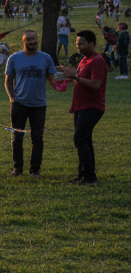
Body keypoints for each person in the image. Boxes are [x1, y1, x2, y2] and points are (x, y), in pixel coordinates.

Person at [4, 30, 60, 178]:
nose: (32, 42)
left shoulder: (46, 58)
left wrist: (63, 81)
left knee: (37, 138)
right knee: (17, 138)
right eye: (29, 40)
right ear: (24, 41)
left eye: (34, 39)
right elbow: (8, 80)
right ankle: (17, 169)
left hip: (39, 104)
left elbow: (52, 78)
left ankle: (35, 170)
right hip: (19, 104)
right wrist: (12, 98)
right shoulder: (14, 58)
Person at [60, 30, 108, 185]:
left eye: (81, 43)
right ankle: (84, 175)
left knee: (80, 138)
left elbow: (95, 84)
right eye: (77, 44)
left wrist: (75, 77)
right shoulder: (84, 60)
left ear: (92, 44)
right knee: (85, 139)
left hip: (92, 106)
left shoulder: (97, 60)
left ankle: (90, 177)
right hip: (81, 106)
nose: (78, 47)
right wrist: (66, 72)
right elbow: (80, 77)